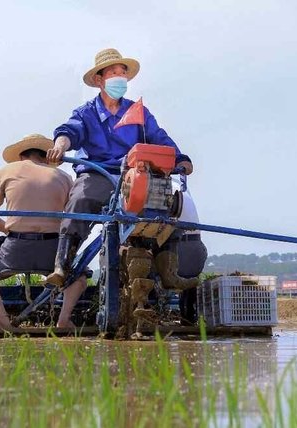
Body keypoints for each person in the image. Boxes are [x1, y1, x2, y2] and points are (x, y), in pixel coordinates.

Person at [45, 48, 194, 287]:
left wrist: (180, 159)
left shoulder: (138, 112)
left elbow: (159, 138)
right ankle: (62, 264)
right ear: (99, 79)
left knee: (167, 206)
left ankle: (167, 271)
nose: (119, 78)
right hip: (98, 173)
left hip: (135, 175)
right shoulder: (86, 113)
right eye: (113, 72)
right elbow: (68, 132)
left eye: (122, 73)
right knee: (80, 200)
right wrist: (60, 147)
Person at [0, 134, 87, 330]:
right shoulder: (64, 177)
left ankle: (4, 322)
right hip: (53, 252)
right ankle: (63, 320)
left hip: (15, 250)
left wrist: (10, 230)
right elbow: (74, 217)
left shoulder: (7, 171)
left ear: (22, 156)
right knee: (80, 277)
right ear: (46, 156)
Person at [171, 178, 208, 323]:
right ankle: (189, 317)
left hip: (178, 249)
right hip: (197, 248)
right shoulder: (182, 187)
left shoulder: (162, 191)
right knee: (189, 283)